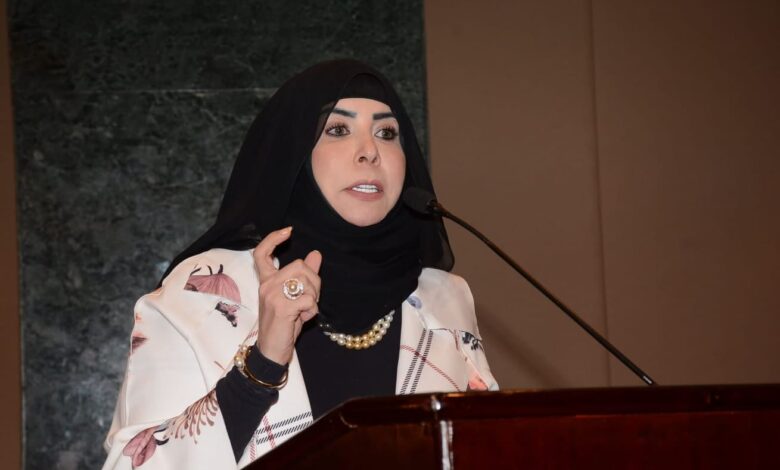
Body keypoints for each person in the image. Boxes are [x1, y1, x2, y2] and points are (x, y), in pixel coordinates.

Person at [103, 59, 497, 469]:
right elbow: (131, 465)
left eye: (387, 133)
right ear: (294, 154)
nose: (370, 151)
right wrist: (262, 366)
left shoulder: (443, 298)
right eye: (338, 130)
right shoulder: (203, 290)